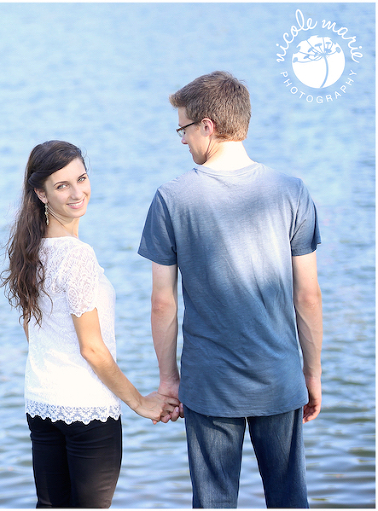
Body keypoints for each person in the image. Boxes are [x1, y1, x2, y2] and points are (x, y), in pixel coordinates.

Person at [138, 71, 323, 508]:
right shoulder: (292, 192)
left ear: (208, 126)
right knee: (289, 500)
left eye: (183, 128)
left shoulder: (172, 198)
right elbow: (308, 296)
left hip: (208, 385)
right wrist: (311, 374)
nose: (182, 140)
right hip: (279, 378)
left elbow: (163, 301)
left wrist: (168, 381)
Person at [1, 140, 178, 508]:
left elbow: (30, 328)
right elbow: (92, 349)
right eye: (62, 185)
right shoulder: (77, 256)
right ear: (41, 193)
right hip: (86, 410)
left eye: (81, 178)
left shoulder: (29, 250)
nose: (77, 192)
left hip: (41, 402)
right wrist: (141, 403)